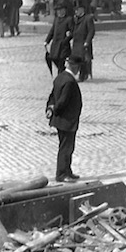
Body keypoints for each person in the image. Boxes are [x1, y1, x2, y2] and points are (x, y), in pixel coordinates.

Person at [46, 55, 84, 183]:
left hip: (61, 121)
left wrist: (50, 109)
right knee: (66, 148)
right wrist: (55, 109)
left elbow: (52, 96)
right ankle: (62, 174)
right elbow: (62, 101)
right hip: (66, 121)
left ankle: (68, 171)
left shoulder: (60, 77)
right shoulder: (70, 82)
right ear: (76, 67)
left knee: (68, 147)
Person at [44, 5, 73, 74]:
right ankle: (64, 71)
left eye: (61, 10)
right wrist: (47, 40)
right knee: (53, 58)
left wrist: (66, 39)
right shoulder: (56, 19)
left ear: (64, 11)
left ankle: (60, 77)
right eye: (58, 11)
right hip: (55, 44)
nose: (59, 12)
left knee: (61, 61)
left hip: (63, 45)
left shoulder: (68, 19)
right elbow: (52, 30)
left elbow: (72, 32)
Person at [70, 4, 95, 81]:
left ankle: (83, 76)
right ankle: (79, 74)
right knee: (77, 59)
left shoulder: (88, 18)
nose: (76, 12)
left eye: (77, 10)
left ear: (82, 10)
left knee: (84, 59)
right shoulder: (75, 19)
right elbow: (74, 29)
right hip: (76, 42)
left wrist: (87, 41)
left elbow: (91, 31)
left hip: (83, 42)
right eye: (75, 10)